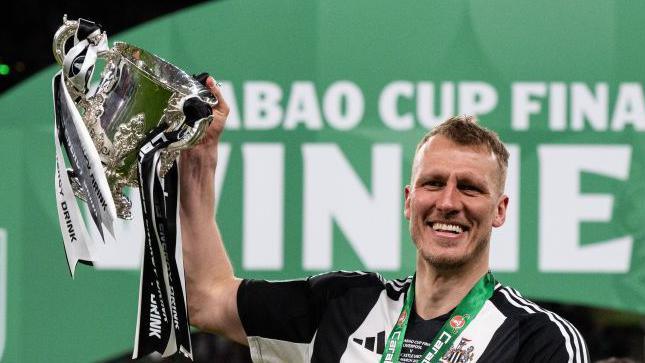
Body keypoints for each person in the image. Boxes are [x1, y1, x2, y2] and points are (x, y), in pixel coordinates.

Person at [179, 77, 590, 362]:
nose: (448, 202)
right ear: (409, 201)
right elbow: (208, 299)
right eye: (433, 183)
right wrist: (200, 158)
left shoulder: (540, 340)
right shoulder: (343, 306)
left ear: (499, 210)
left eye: (469, 187)